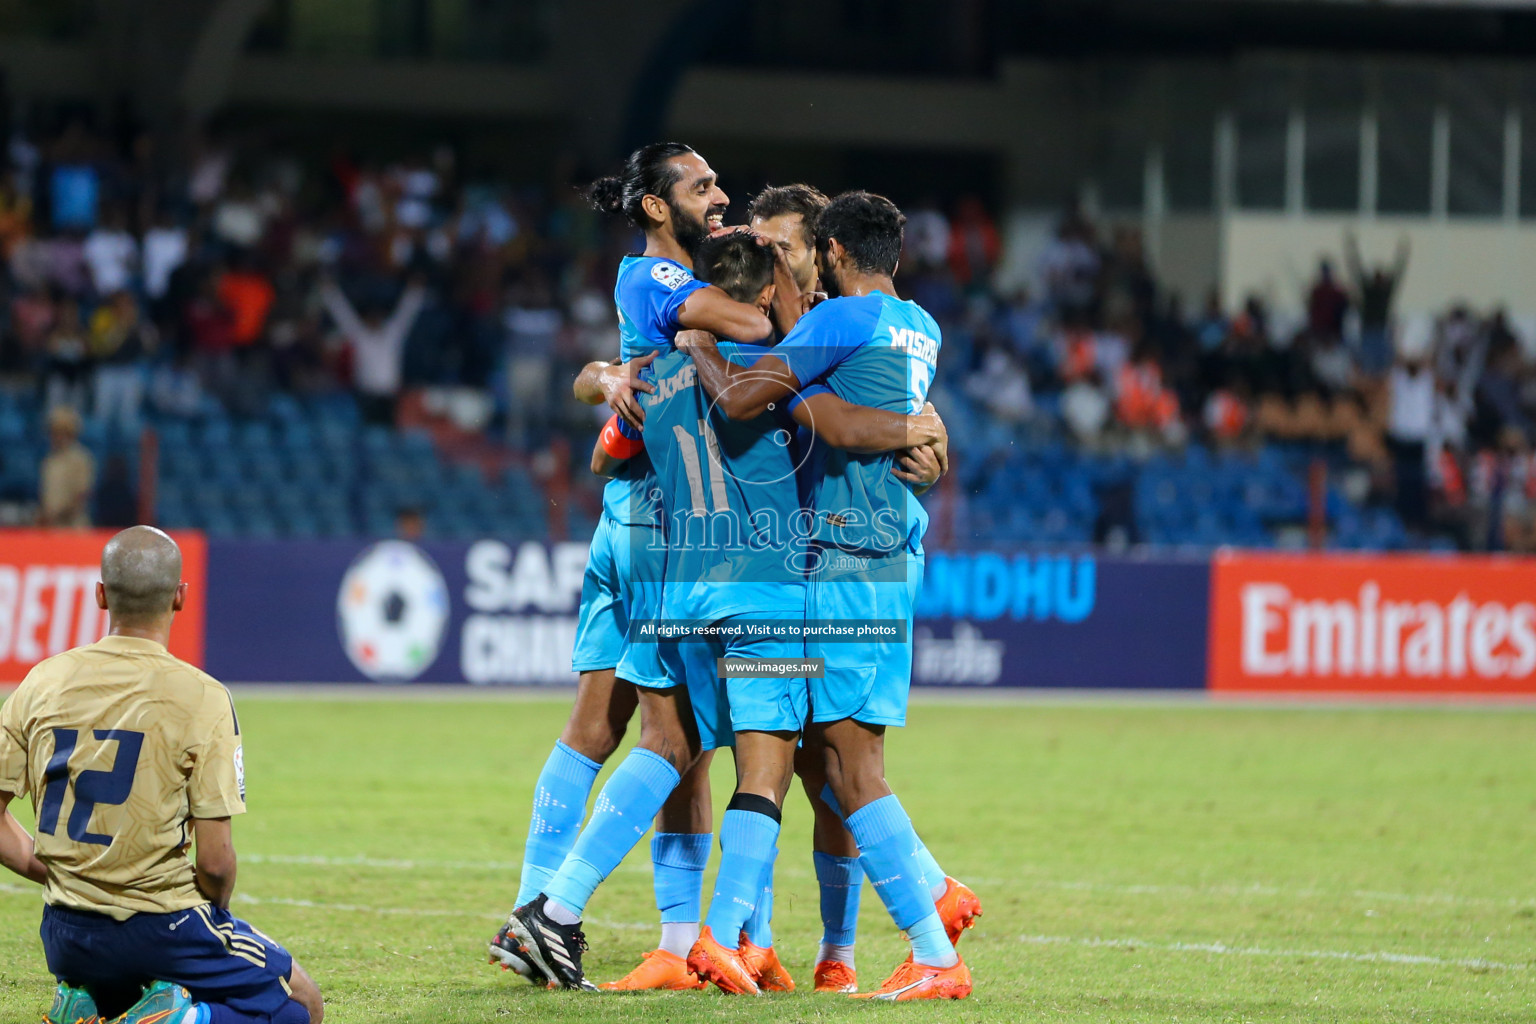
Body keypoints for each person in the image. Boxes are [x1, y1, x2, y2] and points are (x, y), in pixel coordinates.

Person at [491, 142, 801, 992]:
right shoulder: (658, 280)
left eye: (718, 182)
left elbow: (620, 378)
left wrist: (604, 375)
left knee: (609, 727)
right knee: (683, 737)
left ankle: (630, 932)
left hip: (633, 518)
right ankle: (553, 913)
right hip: (662, 530)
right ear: (658, 208)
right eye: (701, 186)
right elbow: (750, 326)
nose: (720, 195)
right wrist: (769, 276)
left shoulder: (657, 290)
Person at [682, 190, 978, 1001]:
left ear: (834, 252)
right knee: (832, 765)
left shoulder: (840, 321)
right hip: (883, 548)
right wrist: (917, 428)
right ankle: (909, 918)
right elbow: (853, 410)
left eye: (796, 248)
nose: (782, 261)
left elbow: (761, 403)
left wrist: (699, 340)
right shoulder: (922, 325)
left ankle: (933, 952)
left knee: (848, 770)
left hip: (848, 555)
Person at [0, 527, 322, 1024]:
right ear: (180, 597)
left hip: (65, 936)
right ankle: (182, 1021)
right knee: (303, 1004)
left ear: (100, 594)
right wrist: (214, 913)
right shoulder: (202, 696)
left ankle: (83, 1008)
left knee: (127, 995)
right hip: (160, 927)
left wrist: (55, 873)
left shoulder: (43, 680)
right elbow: (216, 863)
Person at [319, 274, 426, 427]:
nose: (375, 321)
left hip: (389, 395)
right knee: (369, 434)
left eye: (378, 318)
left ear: (383, 319)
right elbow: (343, 314)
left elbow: (406, 314)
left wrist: (415, 292)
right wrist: (329, 292)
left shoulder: (392, 334)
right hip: (366, 395)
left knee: (388, 436)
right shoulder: (360, 335)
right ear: (366, 319)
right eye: (372, 318)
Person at [38, 406, 96, 528]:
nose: (55, 437)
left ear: (71, 433)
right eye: (53, 432)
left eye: (60, 432)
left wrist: (56, 515)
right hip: (50, 528)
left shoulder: (81, 459)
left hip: (73, 528)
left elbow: (81, 496)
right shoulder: (49, 460)